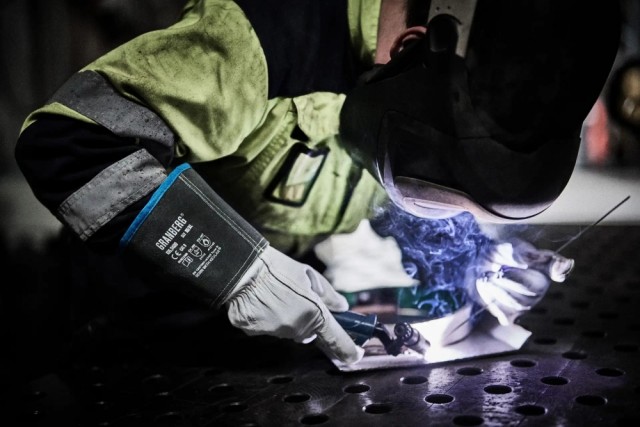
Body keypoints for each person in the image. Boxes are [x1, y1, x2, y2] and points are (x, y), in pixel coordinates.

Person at [14, 0, 620, 366]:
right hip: (126, 330)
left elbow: (383, 206)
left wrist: (477, 260)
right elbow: (66, 142)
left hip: (269, 349)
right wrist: (237, 270)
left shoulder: (442, 90)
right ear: (409, 47)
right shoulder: (261, 35)